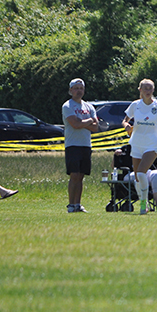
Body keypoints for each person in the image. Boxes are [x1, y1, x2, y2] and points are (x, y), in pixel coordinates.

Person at [122, 79, 157, 215]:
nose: (148, 91)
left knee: (140, 172)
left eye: (150, 88)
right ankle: (143, 202)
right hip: (136, 143)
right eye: (145, 88)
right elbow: (125, 120)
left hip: (152, 145)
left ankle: (143, 205)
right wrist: (126, 125)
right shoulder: (135, 105)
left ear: (153, 90)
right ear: (140, 90)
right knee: (138, 178)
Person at [62, 78, 98, 213]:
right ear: (71, 90)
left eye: (81, 88)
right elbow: (75, 124)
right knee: (74, 175)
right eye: (76, 88)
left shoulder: (89, 107)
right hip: (73, 144)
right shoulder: (68, 106)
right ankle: (71, 205)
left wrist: (84, 122)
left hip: (86, 145)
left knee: (81, 175)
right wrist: (88, 121)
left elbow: (95, 127)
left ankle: (78, 204)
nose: (79, 91)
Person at [113, 144, 157, 211]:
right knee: (140, 175)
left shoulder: (149, 147)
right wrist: (115, 155)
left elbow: (156, 163)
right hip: (131, 173)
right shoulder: (126, 149)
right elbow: (114, 166)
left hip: (148, 171)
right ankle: (144, 206)